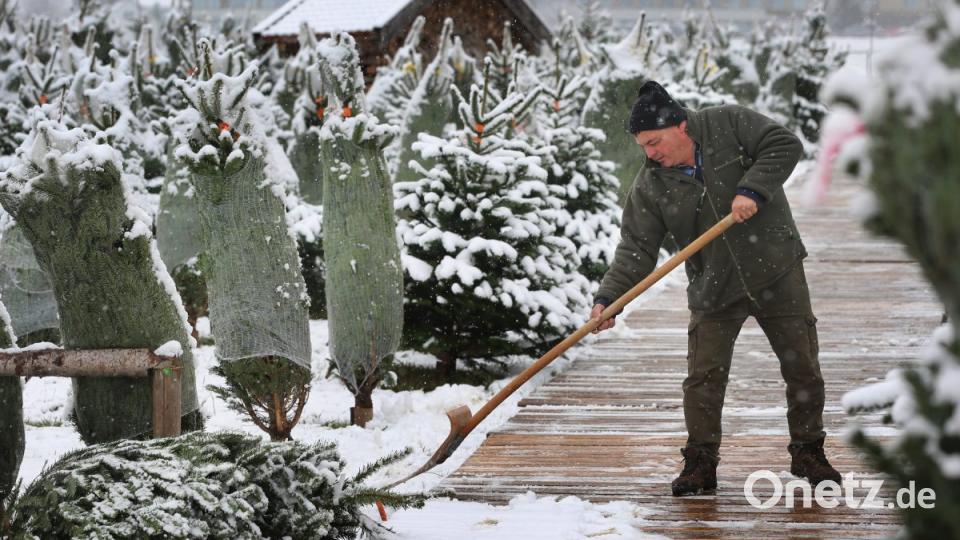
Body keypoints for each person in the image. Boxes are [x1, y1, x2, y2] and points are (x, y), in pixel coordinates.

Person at [590, 81, 841, 497]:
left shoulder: (728, 123)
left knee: (802, 367)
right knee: (703, 378)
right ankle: (700, 463)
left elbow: (784, 144)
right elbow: (636, 248)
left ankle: (808, 451)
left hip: (777, 270)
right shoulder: (651, 185)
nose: (650, 153)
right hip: (714, 285)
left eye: (654, 142)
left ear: (680, 126)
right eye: (643, 146)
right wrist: (609, 300)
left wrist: (752, 188)